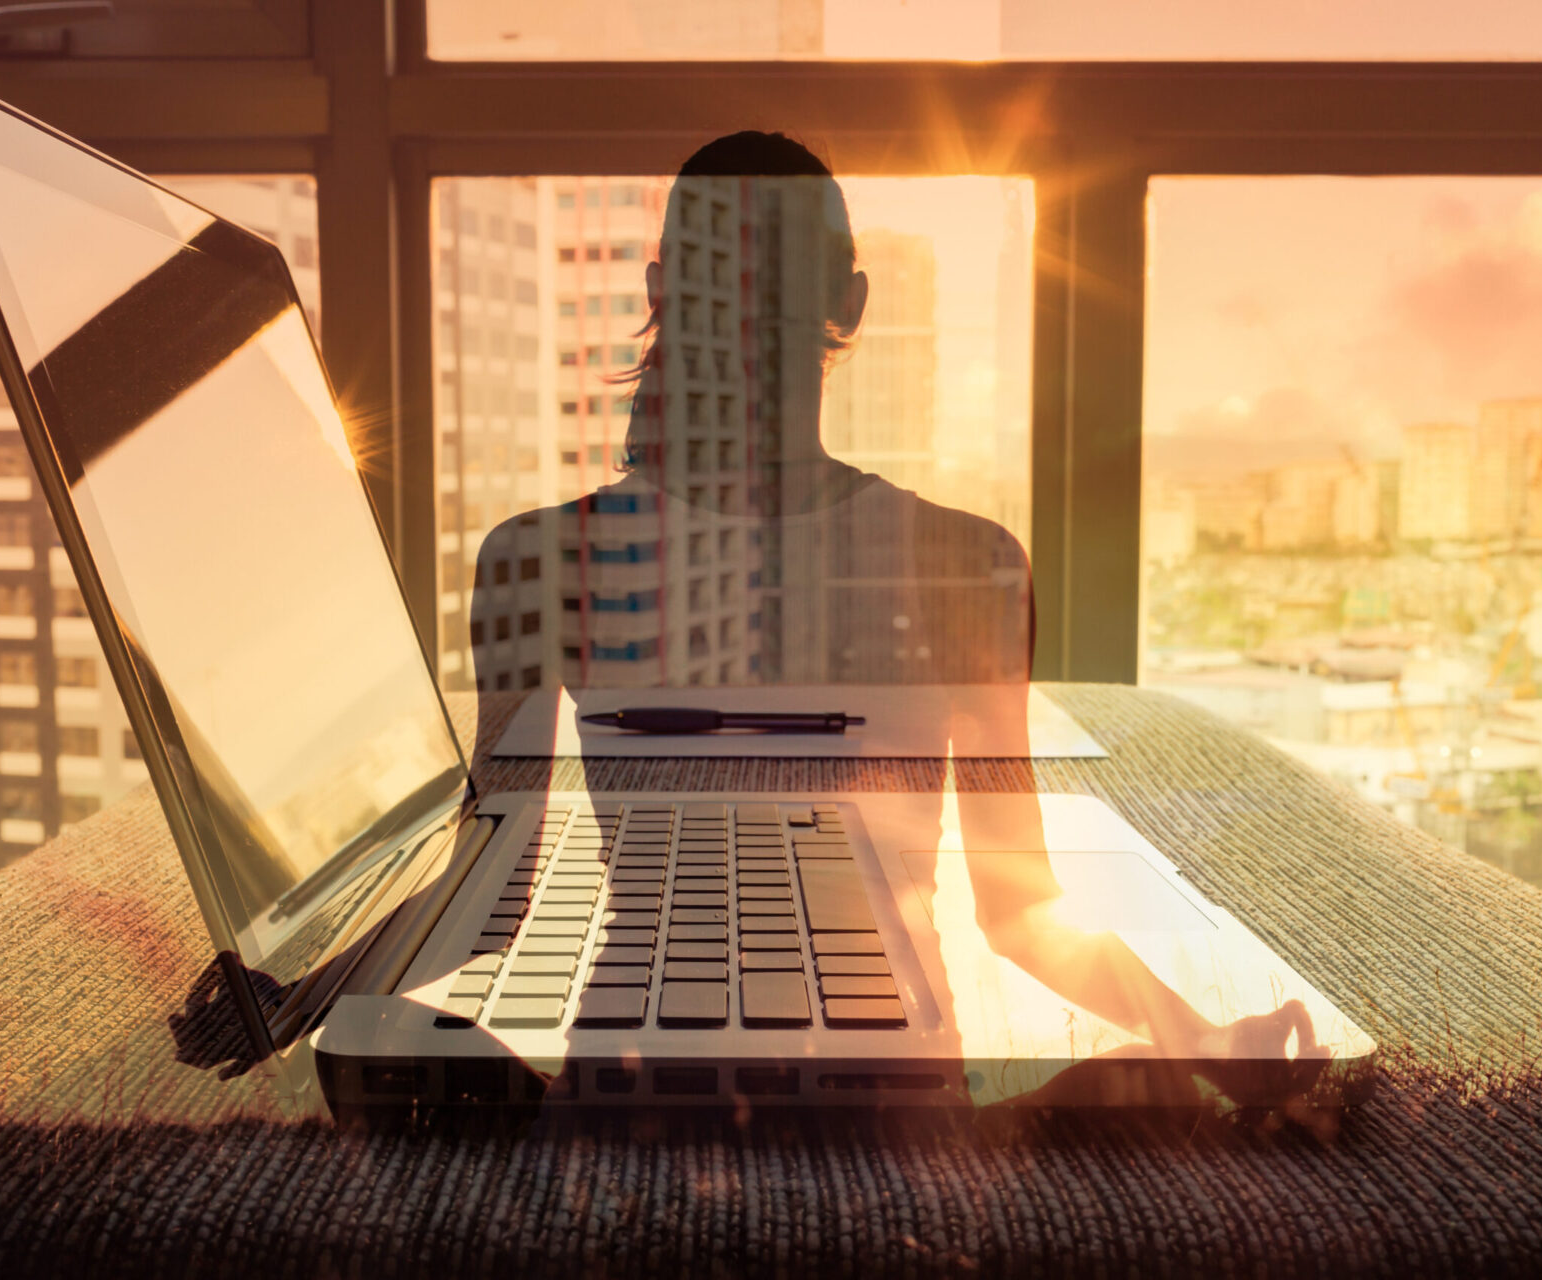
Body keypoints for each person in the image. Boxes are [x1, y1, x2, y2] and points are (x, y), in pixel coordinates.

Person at [472, 132, 1320, 1099]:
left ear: (661, 291)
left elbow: (485, 909)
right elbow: (1021, 909)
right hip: (893, 1096)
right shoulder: (967, 561)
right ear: (852, 304)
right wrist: (1202, 1044)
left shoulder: (537, 558)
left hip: (637, 1082)